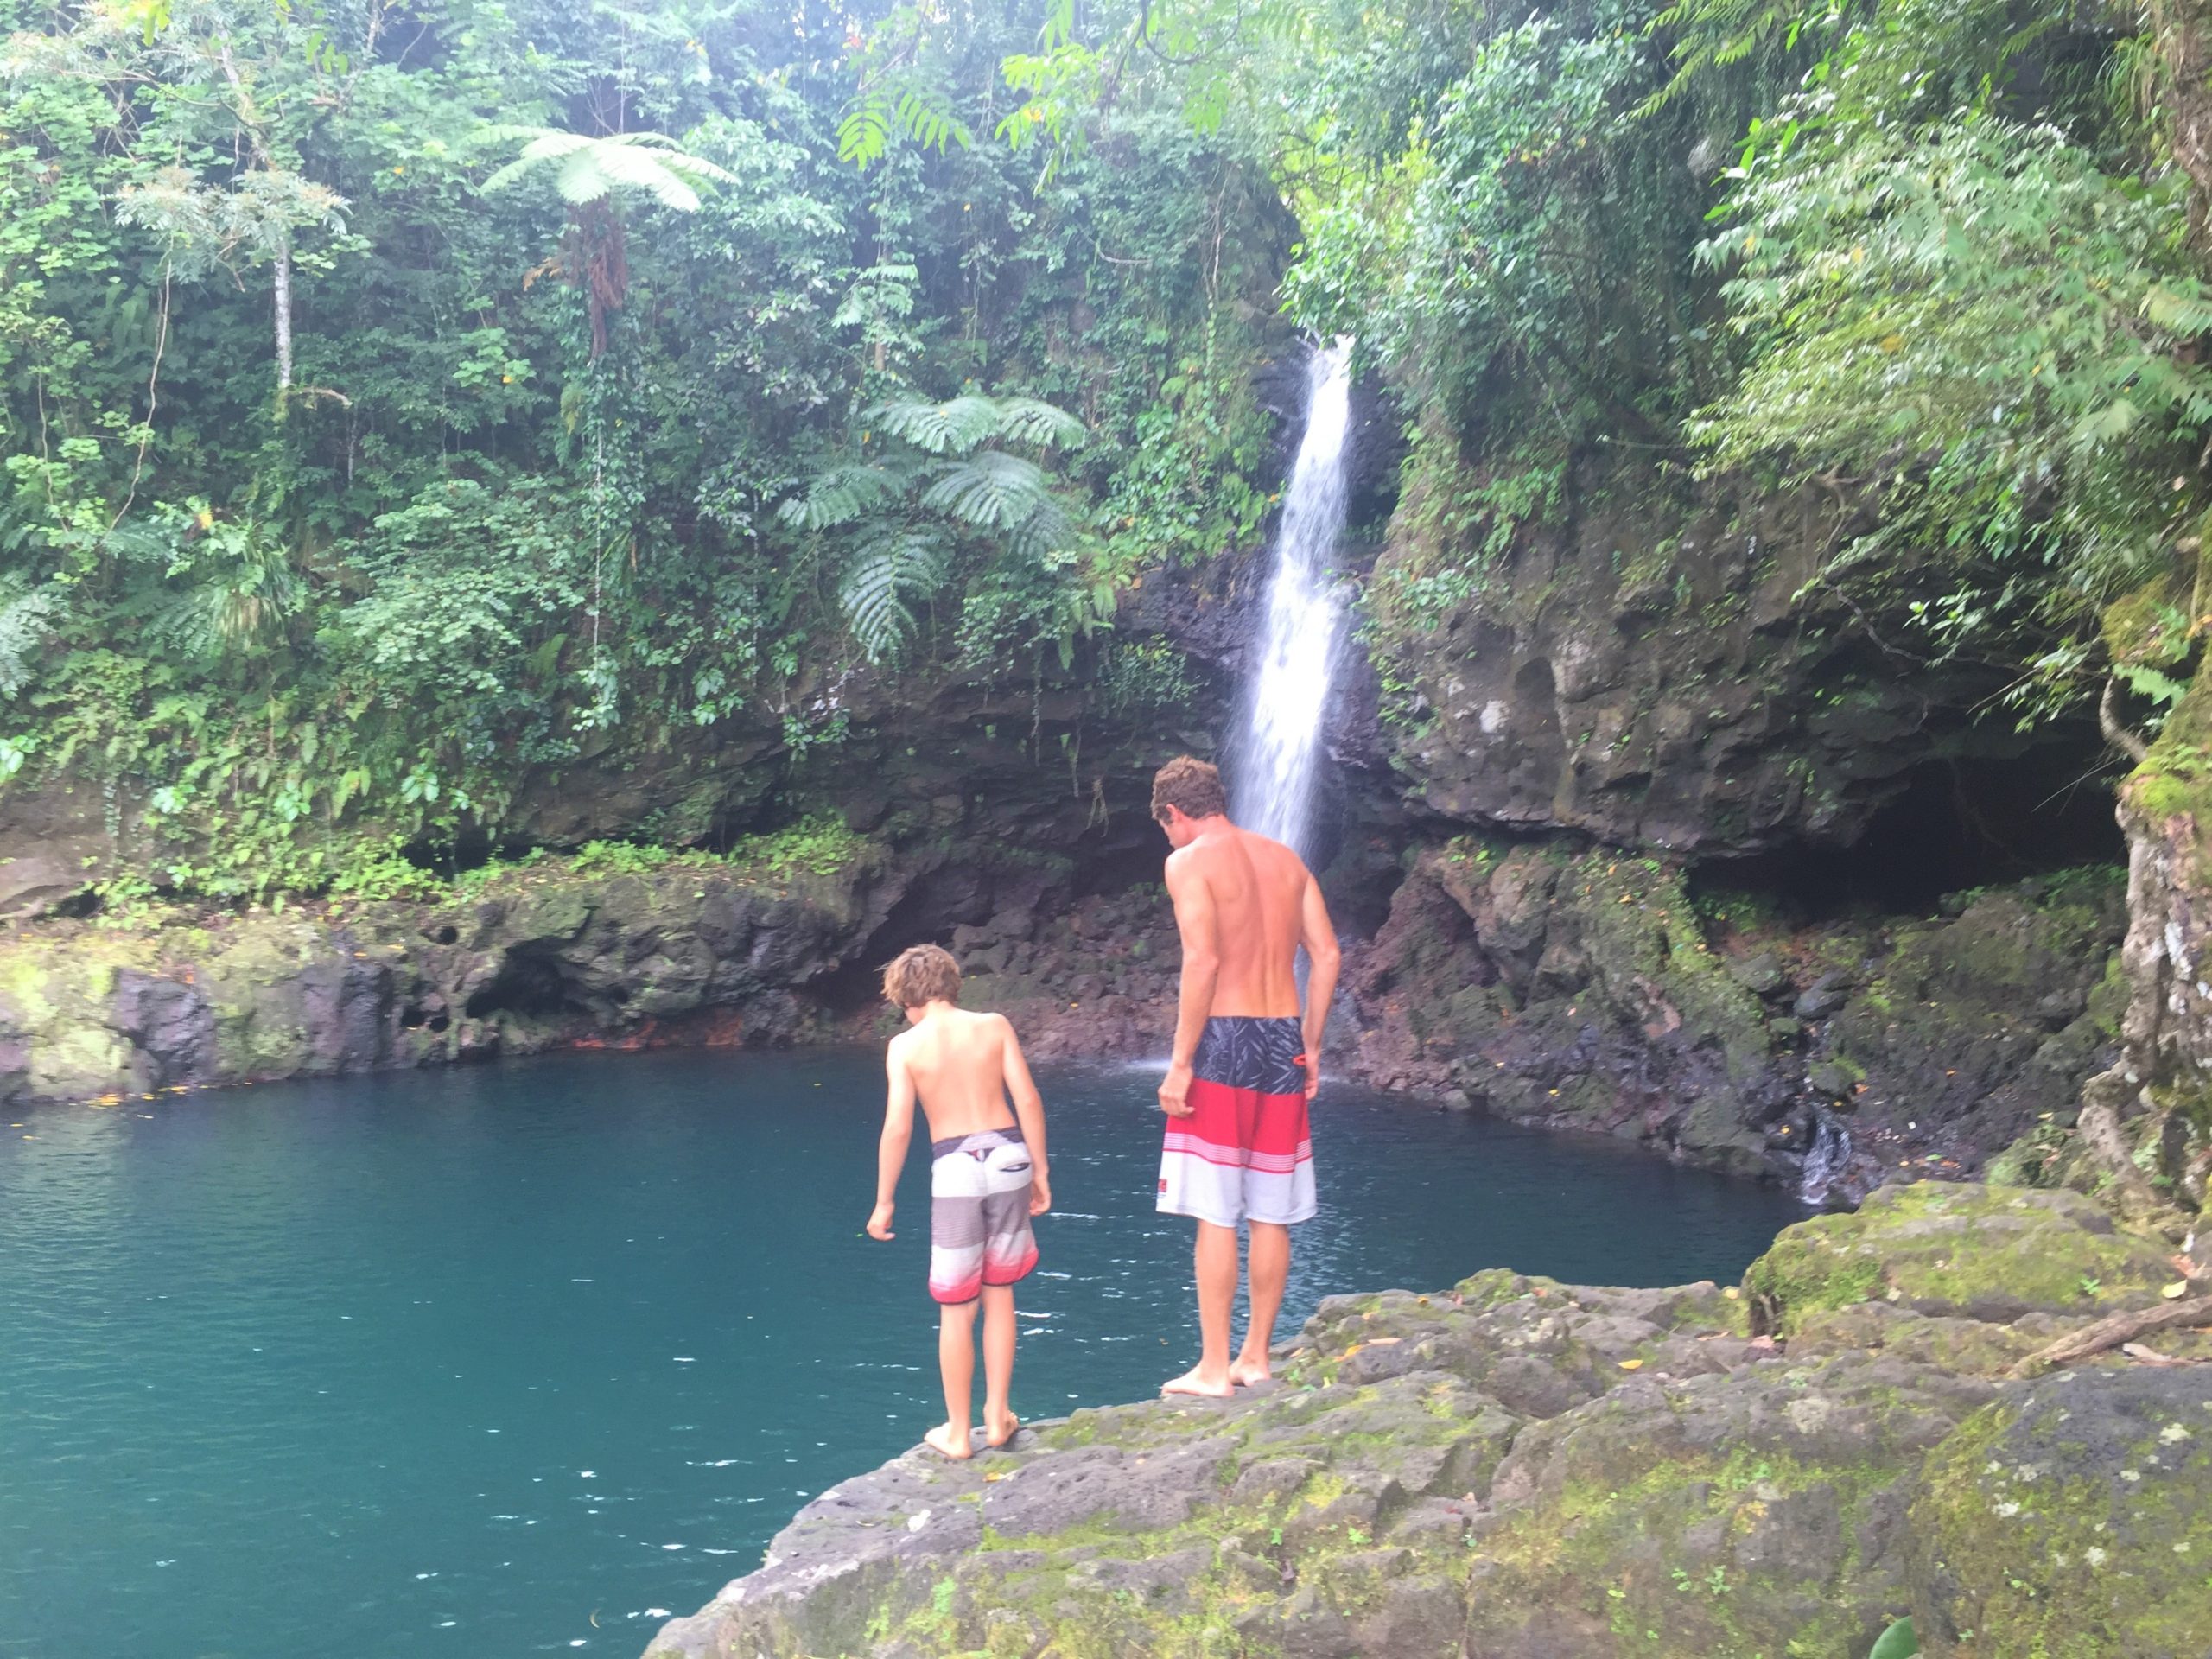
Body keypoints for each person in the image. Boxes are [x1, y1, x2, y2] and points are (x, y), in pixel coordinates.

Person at [1150, 755, 1340, 1397]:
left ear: (1175, 813)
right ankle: (1255, 1357)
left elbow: (1202, 960)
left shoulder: (1188, 861)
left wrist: (1181, 1062)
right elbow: (1328, 954)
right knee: (1270, 1211)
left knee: (1214, 1212)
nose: (1168, 840)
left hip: (1225, 1040)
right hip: (1283, 1035)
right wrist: (1311, 1045)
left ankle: (1212, 1368)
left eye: (1165, 827)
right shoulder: (1287, 860)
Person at [866, 944, 1052, 1459]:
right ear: (952, 984)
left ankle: (957, 1431)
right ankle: (998, 1416)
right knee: (1000, 1291)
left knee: (955, 1306)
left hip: (955, 1167)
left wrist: (884, 1202)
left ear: (905, 996)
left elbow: (898, 1126)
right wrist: (1040, 1169)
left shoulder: (904, 1046)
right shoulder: (993, 1024)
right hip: (1011, 1155)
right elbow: (1029, 1098)